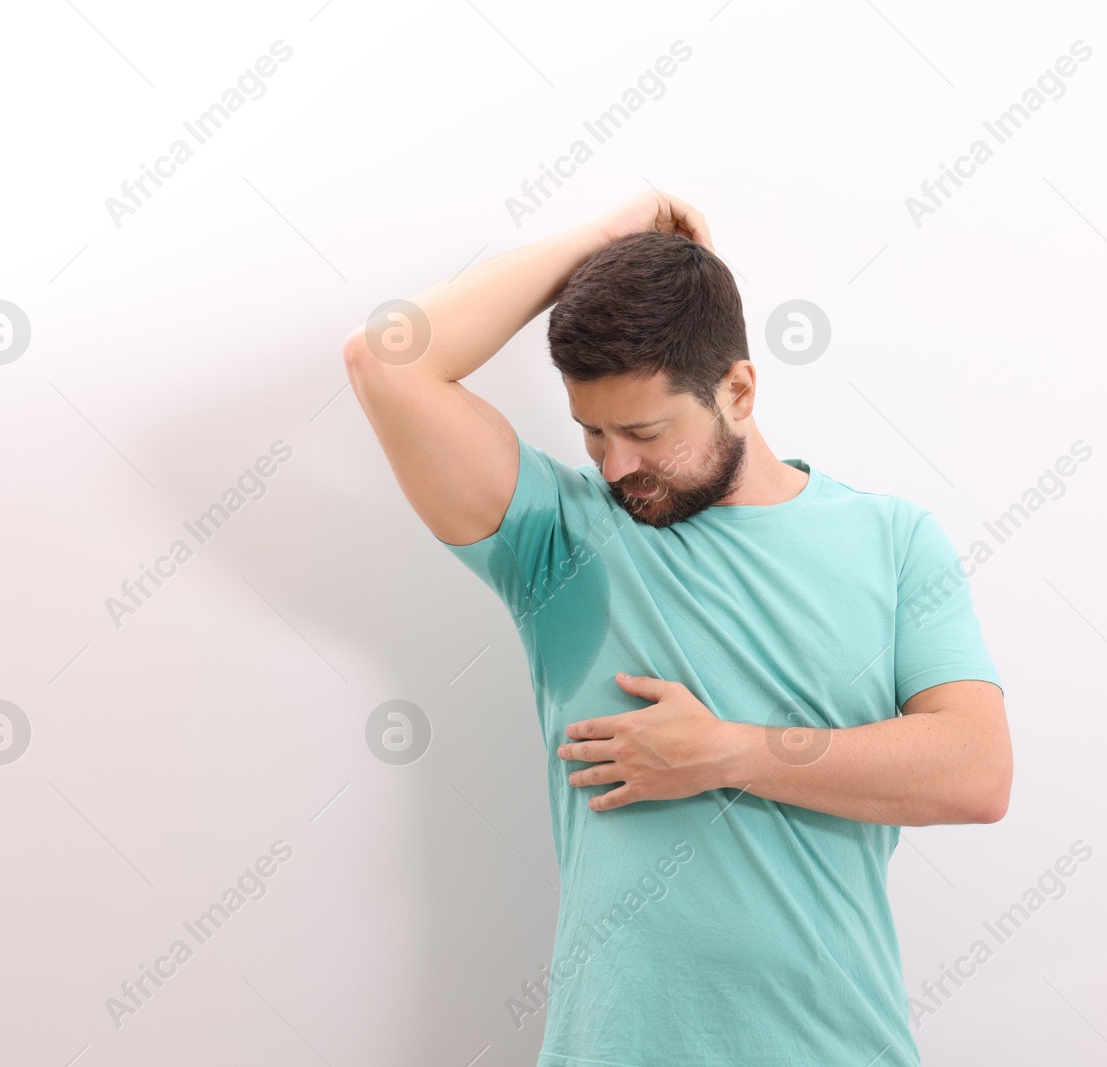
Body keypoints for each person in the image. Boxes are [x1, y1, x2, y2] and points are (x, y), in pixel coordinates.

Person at [343, 189, 1012, 1066]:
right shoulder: (561, 539)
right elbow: (384, 361)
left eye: (644, 431)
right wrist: (603, 240)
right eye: (591, 434)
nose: (617, 466)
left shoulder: (892, 540)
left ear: (738, 388)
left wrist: (727, 753)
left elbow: (975, 772)